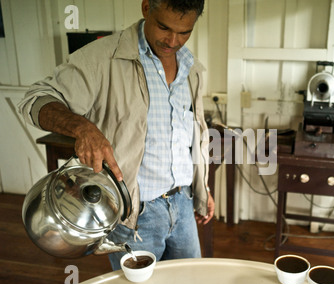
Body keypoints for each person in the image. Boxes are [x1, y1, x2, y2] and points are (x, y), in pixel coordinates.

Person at [18, 0, 214, 270]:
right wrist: (82, 128)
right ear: (146, 8)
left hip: (184, 203)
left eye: (184, 32)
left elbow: (187, 137)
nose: (172, 40)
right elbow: (35, 100)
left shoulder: (191, 67)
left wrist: (202, 187)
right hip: (135, 213)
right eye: (164, 27)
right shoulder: (101, 57)